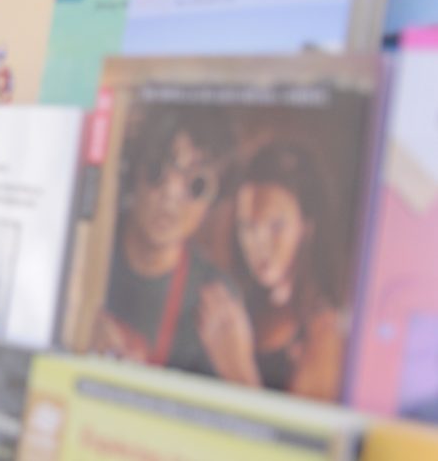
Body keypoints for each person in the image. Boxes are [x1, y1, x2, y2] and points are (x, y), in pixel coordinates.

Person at [91, 104, 256, 385]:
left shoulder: (215, 301)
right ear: (135, 171)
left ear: (213, 202)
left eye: (196, 184)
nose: (170, 193)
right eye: (157, 170)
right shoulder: (90, 244)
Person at [222, 142, 345, 400]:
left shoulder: (324, 331)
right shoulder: (240, 303)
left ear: (307, 226)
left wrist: (238, 371)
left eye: (276, 225)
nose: (259, 243)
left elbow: (299, 435)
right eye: (247, 227)